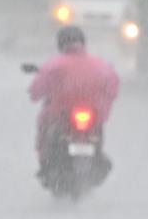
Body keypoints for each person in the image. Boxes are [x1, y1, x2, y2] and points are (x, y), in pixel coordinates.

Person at [28, 25, 121, 174]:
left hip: (59, 115)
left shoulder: (53, 65)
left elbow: (35, 92)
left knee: (43, 127)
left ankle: (44, 160)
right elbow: (113, 90)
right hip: (94, 116)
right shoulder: (101, 65)